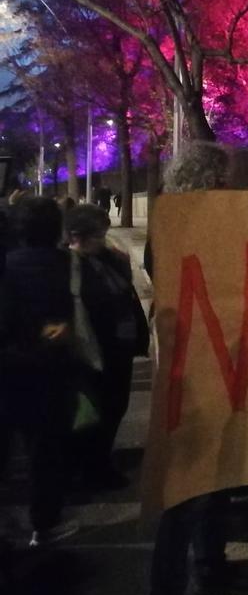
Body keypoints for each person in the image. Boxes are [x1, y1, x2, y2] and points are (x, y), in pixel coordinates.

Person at [145, 142, 248, 595]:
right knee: (185, 498)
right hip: (190, 383)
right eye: (224, 180)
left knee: (217, 480)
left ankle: (212, 569)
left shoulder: (193, 221)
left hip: (219, 371)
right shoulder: (177, 227)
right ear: (210, 181)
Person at [0, 196, 84, 548]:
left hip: (9, 368)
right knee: (46, 452)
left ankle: (5, 525)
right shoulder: (69, 265)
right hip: (51, 370)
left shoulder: (7, 265)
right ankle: (44, 525)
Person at [64, 204, 148, 489]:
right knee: (98, 412)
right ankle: (93, 467)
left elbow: (124, 292)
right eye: (98, 235)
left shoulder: (107, 260)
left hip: (118, 349)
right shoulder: (70, 265)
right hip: (95, 352)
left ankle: (98, 462)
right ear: (78, 236)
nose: (104, 240)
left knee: (115, 406)